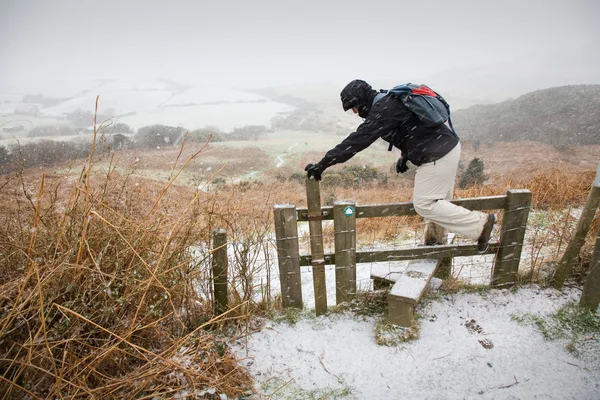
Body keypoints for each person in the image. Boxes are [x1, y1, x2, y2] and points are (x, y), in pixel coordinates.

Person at [305, 79, 496, 252]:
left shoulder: (382, 110)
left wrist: (323, 163)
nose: (355, 112)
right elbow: (410, 129)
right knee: (438, 203)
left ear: (361, 100)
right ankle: (435, 245)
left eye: (354, 107)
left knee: (425, 204)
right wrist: (405, 155)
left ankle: (480, 225)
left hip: (439, 154)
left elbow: (357, 141)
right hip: (446, 147)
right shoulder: (388, 102)